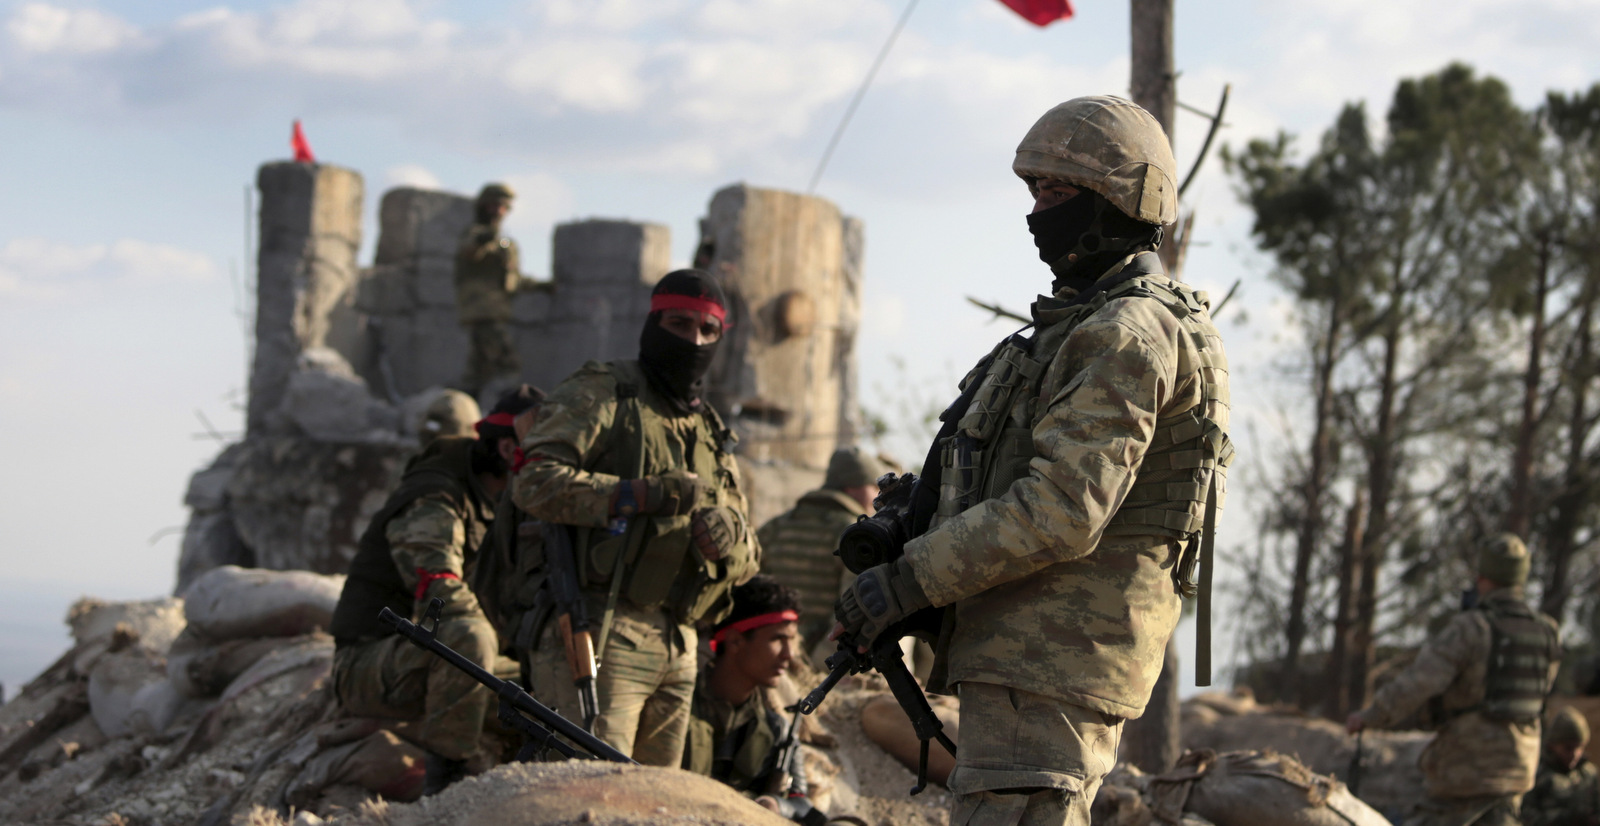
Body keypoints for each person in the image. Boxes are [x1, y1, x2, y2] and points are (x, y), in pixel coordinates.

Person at [830, 95, 1231, 826]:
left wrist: (909, 581)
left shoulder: (1125, 333)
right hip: (1038, 663)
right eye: (1034, 190)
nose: (1038, 212)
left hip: (1049, 667)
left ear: (1120, 198)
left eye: (1058, 191)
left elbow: (1060, 512)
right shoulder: (1096, 323)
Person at [511, 269, 761, 767]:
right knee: (588, 794)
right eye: (679, 323)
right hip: (601, 630)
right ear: (653, 322)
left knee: (657, 805)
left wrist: (732, 535)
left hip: (681, 642)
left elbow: (751, 549)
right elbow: (534, 483)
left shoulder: (711, 431)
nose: (693, 340)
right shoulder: (605, 391)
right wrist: (636, 494)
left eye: (707, 331)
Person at [329, 385, 544, 793]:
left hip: (427, 661)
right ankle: (446, 782)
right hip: (369, 665)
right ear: (505, 451)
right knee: (468, 635)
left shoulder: (502, 502)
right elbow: (441, 592)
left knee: (550, 689)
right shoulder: (435, 494)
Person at [1347, 534, 1562, 826]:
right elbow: (1540, 691)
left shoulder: (1472, 628)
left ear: (1483, 576)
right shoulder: (1548, 632)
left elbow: (1419, 682)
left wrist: (1371, 716)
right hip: (1518, 769)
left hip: (1466, 769)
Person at [682, 575, 825, 824]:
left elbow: (801, 804)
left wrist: (775, 805)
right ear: (736, 641)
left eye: (791, 641)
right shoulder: (678, 706)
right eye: (777, 639)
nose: (789, 655)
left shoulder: (777, 728)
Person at [757, 446, 886, 647]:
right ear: (853, 487)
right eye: (875, 488)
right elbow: (856, 611)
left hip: (769, 652)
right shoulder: (855, 533)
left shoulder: (776, 526)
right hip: (824, 658)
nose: (879, 497)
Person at [456, 182, 546, 397]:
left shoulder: (506, 243)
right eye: (494, 206)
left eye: (503, 207)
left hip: (496, 312)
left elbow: (513, 279)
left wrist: (542, 286)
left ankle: (467, 410)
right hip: (481, 312)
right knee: (508, 362)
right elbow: (471, 251)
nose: (499, 211)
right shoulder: (475, 234)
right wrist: (485, 238)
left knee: (478, 370)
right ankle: (509, 407)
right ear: (483, 207)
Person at [1523, 706, 1600, 826]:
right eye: (1568, 748)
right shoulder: (1536, 774)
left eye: (1579, 748)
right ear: (1552, 745)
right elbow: (1526, 817)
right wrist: (1566, 818)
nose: (1575, 754)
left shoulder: (1588, 774)